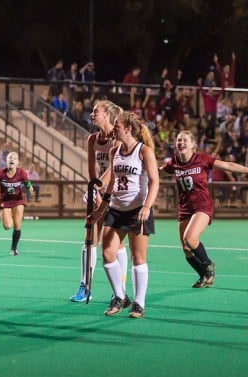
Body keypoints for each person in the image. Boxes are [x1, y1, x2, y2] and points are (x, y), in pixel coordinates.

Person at [161, 131, 248, 288]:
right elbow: (158, 170)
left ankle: (209, 265)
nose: (181, 143)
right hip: (184, 208)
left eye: (184, 140)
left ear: (193, 144)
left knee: (190, 239)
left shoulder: (202, 159)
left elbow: (228, 165)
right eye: (178, 140)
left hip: (202, 206)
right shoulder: (175, 162)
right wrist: (141, 169)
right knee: (186, 248)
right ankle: (204, 276)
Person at [91, 111, 160, 319]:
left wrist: (147, 206)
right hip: (116, 209)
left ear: (127, 129)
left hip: (137, 209)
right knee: (107, 254)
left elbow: (155, 182)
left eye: (118, 125)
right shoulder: (114, 151)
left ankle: (139, 303)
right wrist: (100, 208)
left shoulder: (144, 151)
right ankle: (119, 296)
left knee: (138, 258)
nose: (114, 128)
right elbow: (112, 183)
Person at [70, 100, 129, 303]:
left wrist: (98, 187)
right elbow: (92, 169)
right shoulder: (92, 139)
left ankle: (120, 289)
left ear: (107, 115)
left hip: (118, 192)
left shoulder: (118, 138)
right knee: (89, 235)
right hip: (100, 190)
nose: (92, 114)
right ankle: (84, 286)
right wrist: (93, 187)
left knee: (116, 242)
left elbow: (114, 168)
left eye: (96, 111)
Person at [0, 151, 34, 256]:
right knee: (8, 226)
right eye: (10, 158)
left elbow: (28, 184)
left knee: (17, 225)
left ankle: (14, 248)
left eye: (15, 158)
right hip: (5, 201)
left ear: (17, 162)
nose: (12, 159)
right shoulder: (0, 173)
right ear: (6, 161)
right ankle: (4, 213)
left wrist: (29, 188)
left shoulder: (21, 173)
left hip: (18, 201)